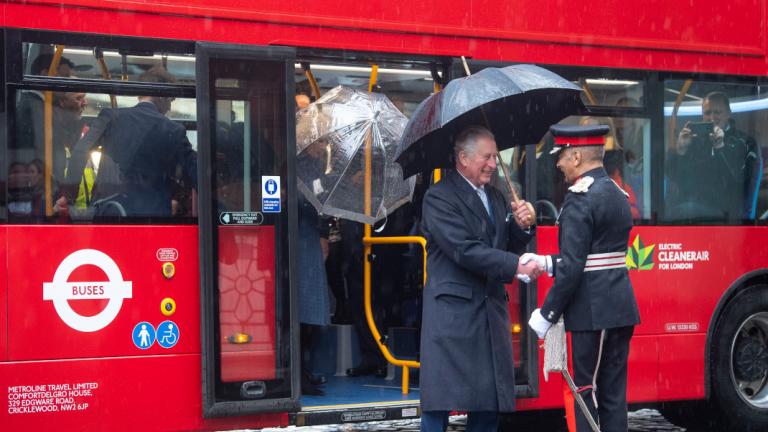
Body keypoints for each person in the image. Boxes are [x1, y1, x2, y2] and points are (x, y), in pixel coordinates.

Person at [419, 125, 541, 432]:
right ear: (462, 158)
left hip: (489, 312)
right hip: (453, 316)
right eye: (486, 157)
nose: (492, 163)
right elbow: (465, 250)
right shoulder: (439, 197)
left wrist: (522, 227)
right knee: (439, 405)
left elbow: (501, 246)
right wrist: (517, 265)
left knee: (488, 403)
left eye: (494, 157)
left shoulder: (497, 196)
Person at [527, 124, 641, 432]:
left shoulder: (580, 198)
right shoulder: (616, 193)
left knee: (583, 391)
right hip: (619, 306)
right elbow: (595, 255)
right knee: (613, 394)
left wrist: (547, 314)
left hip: (594, 312)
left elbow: (575, 266)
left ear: (576, 156)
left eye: (562, 156)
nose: (558, 163)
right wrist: (546, 261)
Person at [61, 65, 197, 217]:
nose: (170, 107)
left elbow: (81, 151)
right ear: (161, 95)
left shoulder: (110, 117)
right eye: (170, 100)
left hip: (109, 213)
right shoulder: (173, 129)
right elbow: (193, 172)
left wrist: (69, 198)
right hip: (153, 219)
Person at [668, 91, 762, 221]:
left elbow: (738, 186)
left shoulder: (745, 142)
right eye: (707, 113)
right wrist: (680, 150)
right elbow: (674, 179)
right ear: (702, 115)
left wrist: (720, 149)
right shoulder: (694, 141)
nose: (712, 117)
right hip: (693, 208)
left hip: (728, 214)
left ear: (729, 113)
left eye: (717, 112)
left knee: (683, 211)